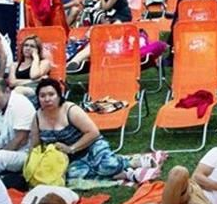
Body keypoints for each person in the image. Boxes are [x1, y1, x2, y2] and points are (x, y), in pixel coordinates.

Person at [30, 77, 161, 185]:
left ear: (59, 96)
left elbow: (93, 132)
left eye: (51, 94)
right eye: (42, 96)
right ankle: (124, 173)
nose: (47, 99)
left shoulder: (70, 110)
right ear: (38, 98)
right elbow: (35, 145)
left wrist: (71, 148)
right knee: (72, 176)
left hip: (90, 145)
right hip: (67, 158)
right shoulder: (37, 117)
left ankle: (129, 163)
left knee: (107, 165)